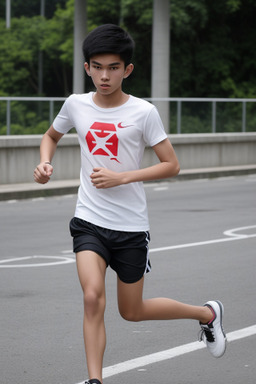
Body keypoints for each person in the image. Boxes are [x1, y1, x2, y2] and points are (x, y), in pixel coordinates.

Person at [34, 24, 226, 384]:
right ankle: (95, 381)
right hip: (89, 220)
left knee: (132, 311)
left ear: (128, 69)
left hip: (130, 227)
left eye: (114, 67)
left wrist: (123, 177)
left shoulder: (144, 112)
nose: (105, 75)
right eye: (97, 66)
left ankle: (206, 314)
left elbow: (172, 164)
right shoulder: (75, 104)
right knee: (92, 297)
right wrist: (45, 162)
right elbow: (51, 135)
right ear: (87, 67)